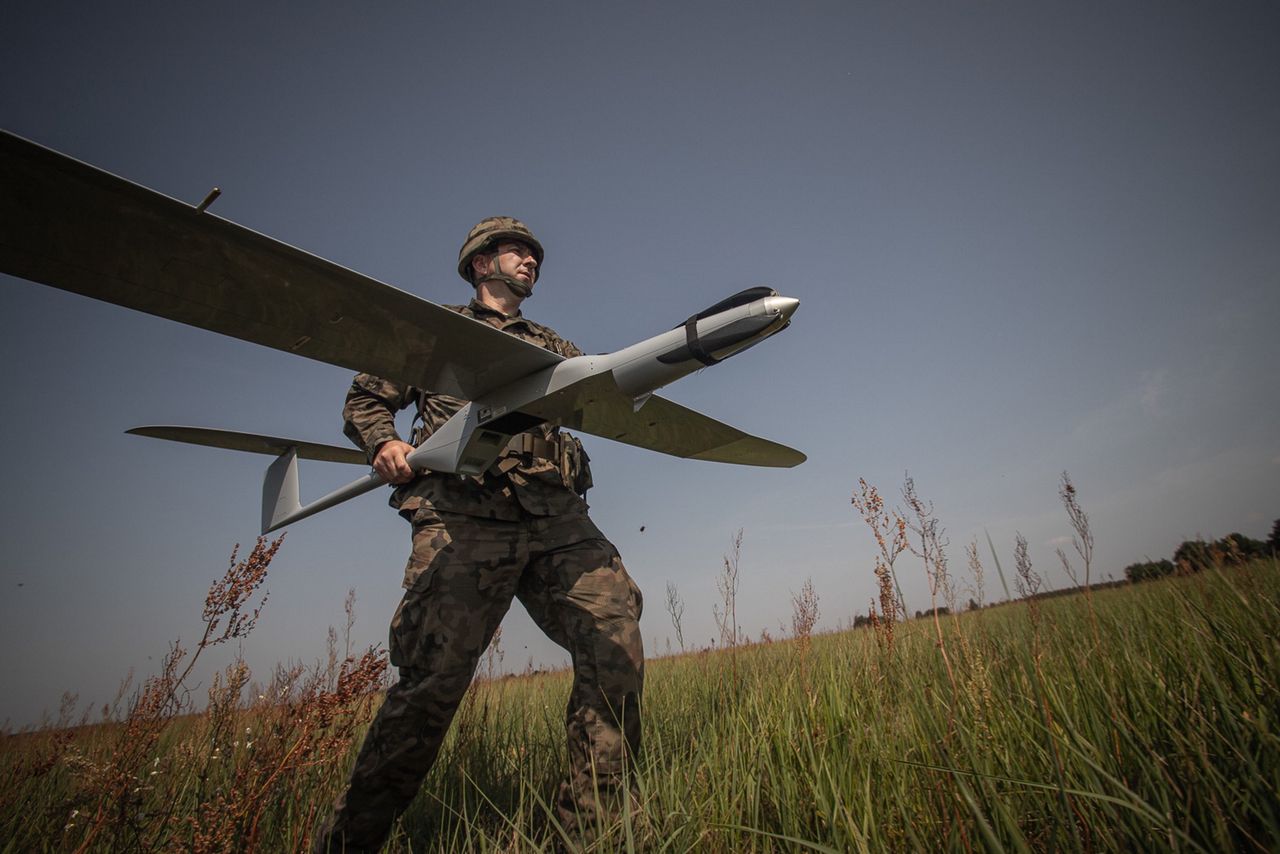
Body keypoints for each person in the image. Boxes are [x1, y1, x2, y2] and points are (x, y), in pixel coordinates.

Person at [315, 217, 645, 853]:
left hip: (555, 518)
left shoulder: (551, 343)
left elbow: (601, 393)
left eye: (534, 255)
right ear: (478, 263)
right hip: (464, 516)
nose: (530, 261)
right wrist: (384, 442)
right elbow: (365, 399)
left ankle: (589, 835)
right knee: (430, 688)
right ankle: (347, 842)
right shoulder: (436, 332)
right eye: (516, 250)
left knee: (615, 641)